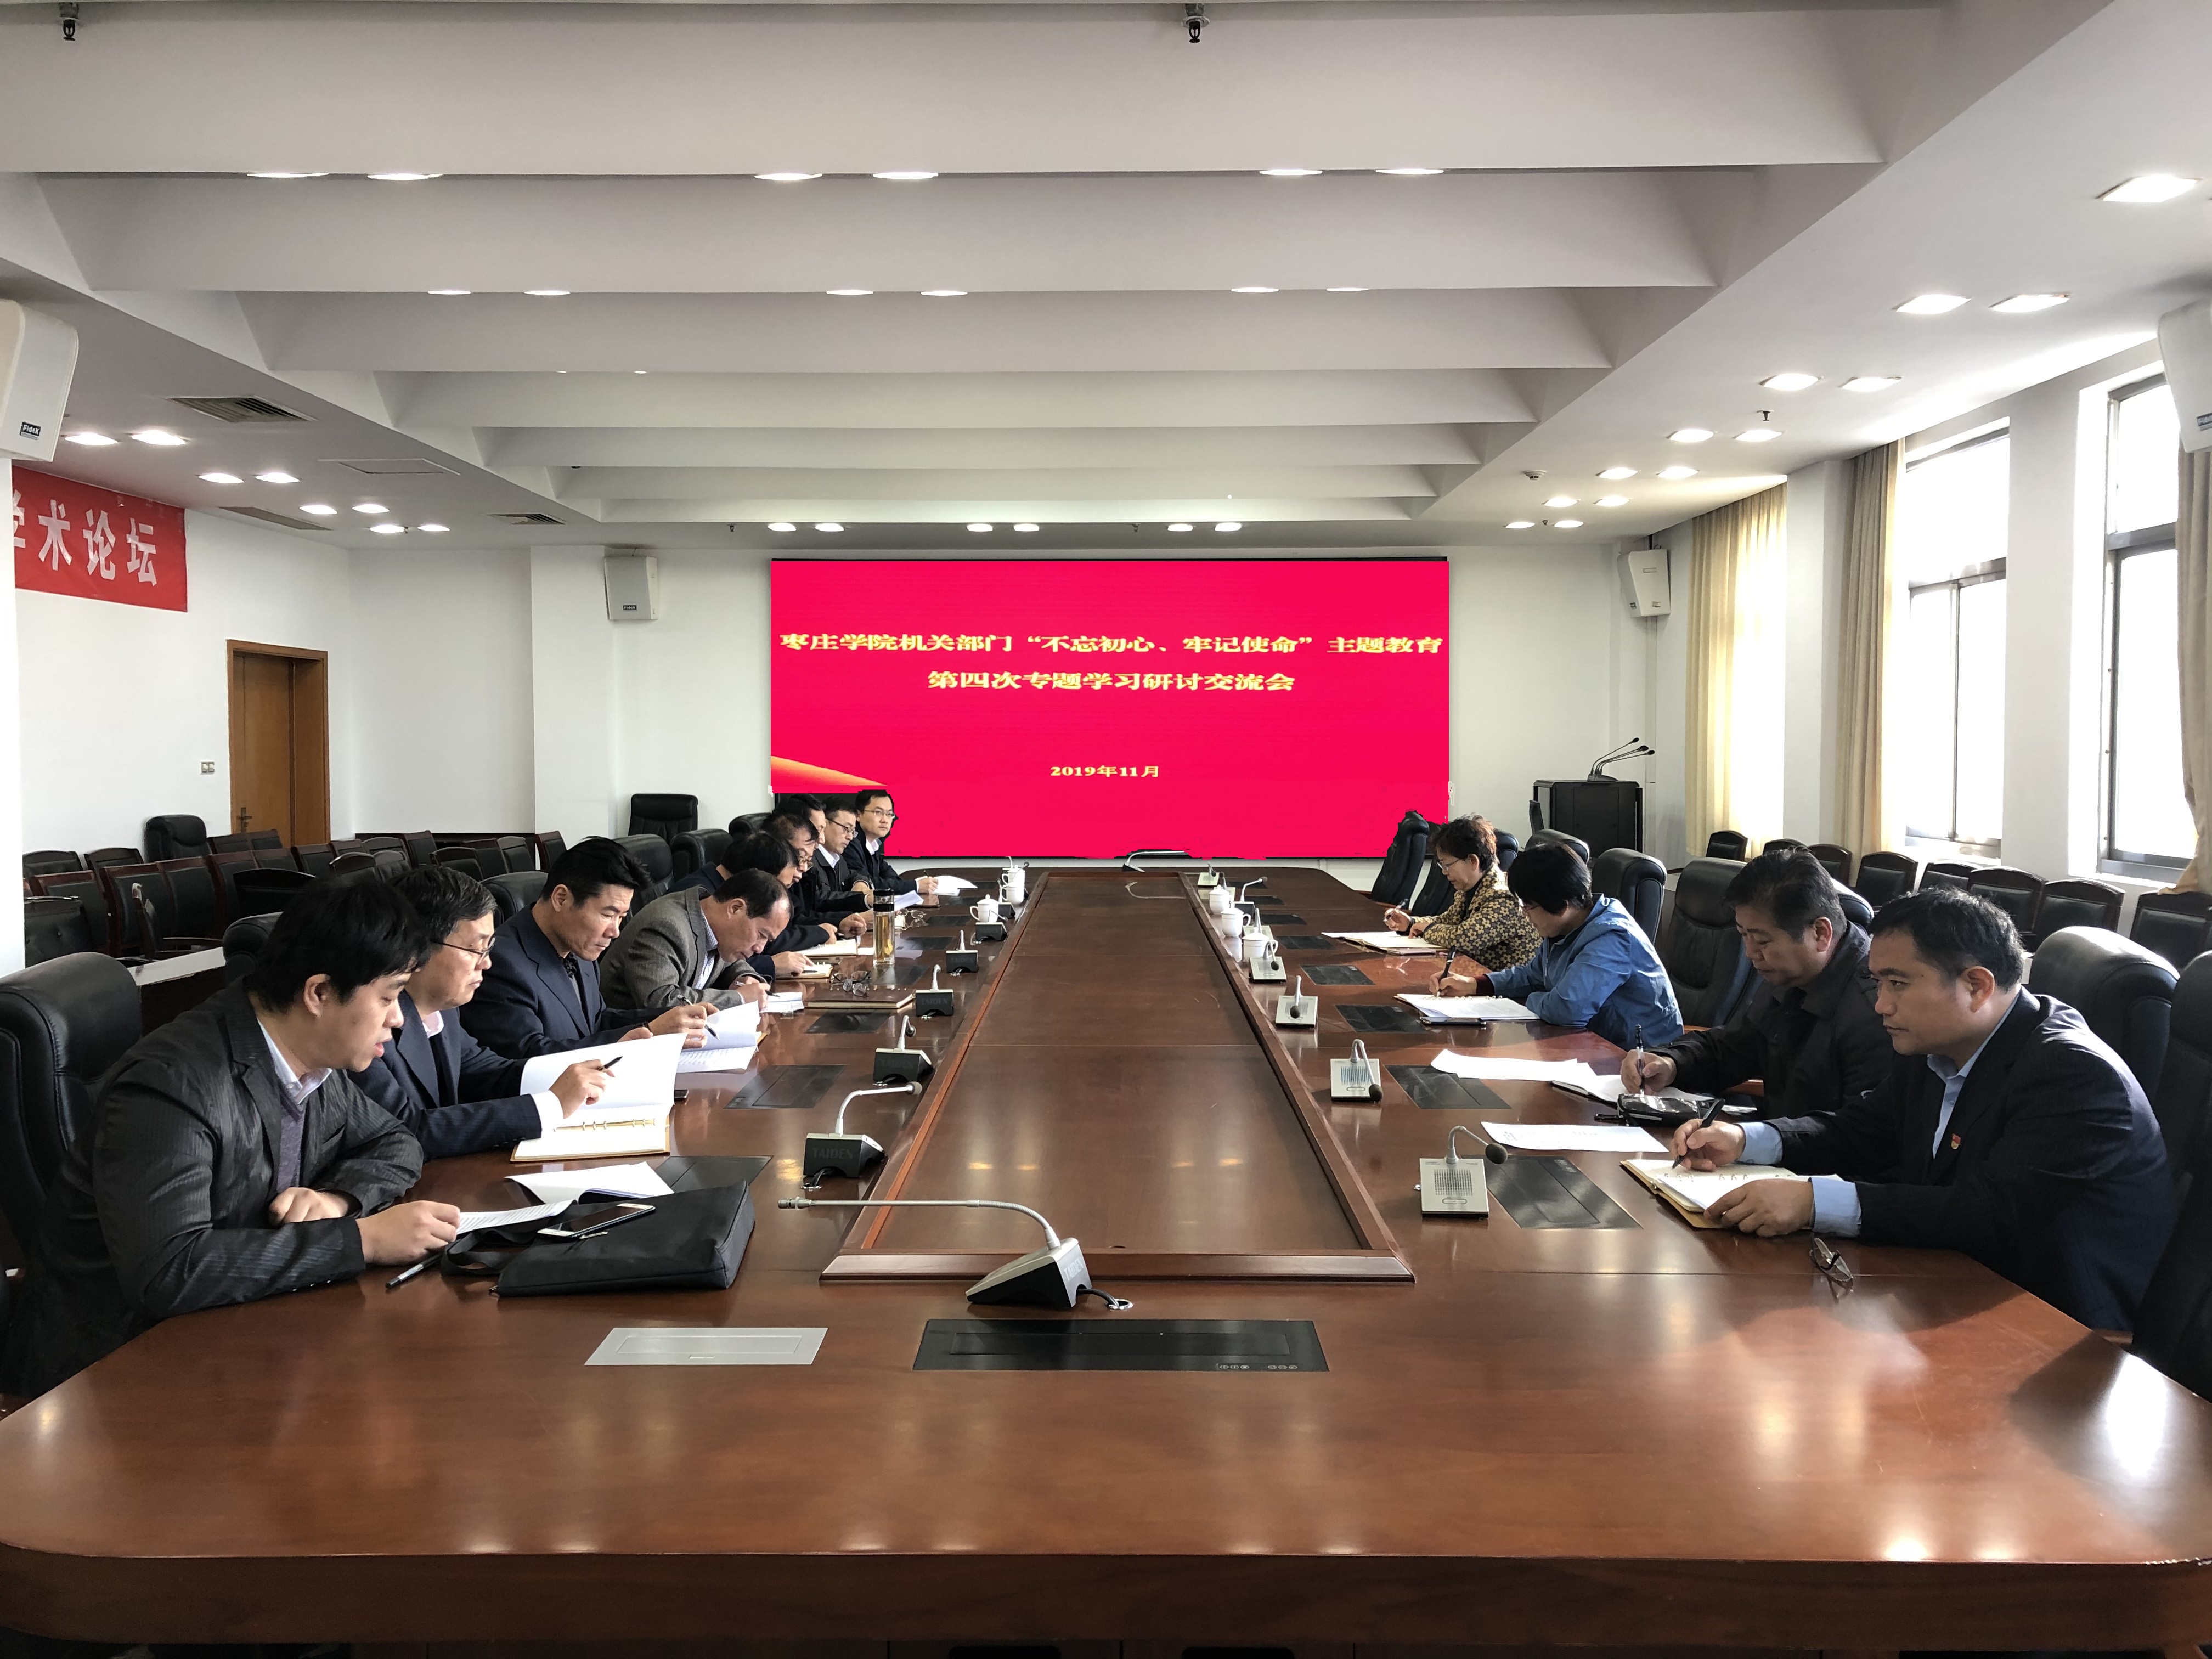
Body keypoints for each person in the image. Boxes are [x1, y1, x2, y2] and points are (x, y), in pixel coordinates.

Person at [0, 877, 459, 1400]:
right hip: (111, 1377)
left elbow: (396, 1141)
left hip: (233, 1333)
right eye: (389, 997)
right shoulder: (172, 1083)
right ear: (319, 993)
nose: (398, 1019)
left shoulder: (308, 1059)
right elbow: (168, 1271)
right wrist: (363, 1240)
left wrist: (338, 1199)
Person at [1673, 888, 2173, 1331]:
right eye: (1878, 983)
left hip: (2056, 1331)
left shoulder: (2074, 1074)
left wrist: (1812, 1201)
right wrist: (1747, 1139)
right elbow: (1863, 1130)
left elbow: (1988, 1213)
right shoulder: (1939, 1044)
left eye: (1898, 984)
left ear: (1976, 986)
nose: (1880, 1005)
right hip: (1952, 1286)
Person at [353, 864, 615, 1159]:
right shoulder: (366, 1025)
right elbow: (408, 1131)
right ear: (416, 948)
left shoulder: (445, 1012)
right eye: (475, 950)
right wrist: (549, 1106)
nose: (486, 963)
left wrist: (583, 1072)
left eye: (489, 948)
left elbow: (490, 1073)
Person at [1621, 849, 1888, 1119]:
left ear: (1820, 933)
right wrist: (1671, 1062)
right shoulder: (1790, 975)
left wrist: (1755, 1137)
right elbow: (1732, 1048)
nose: (1750, 953)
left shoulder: (1877, 1010)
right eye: (1743, 936)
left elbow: (1856, 1131)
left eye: (1762, 941)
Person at [461, 837, 713, 1060]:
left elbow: (597, 1020)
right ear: (561, 898)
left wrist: (673, 1017)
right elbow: (529, 1056)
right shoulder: (501, 963)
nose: (615, 931)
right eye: (608, 915)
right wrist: (649, 1034)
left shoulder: (578, 944)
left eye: (621, 917)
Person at [1437, 840, 1681, 1048]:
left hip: (1639, 1060)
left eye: (1528, 907)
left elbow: (1567, 1010)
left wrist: (1528, 999)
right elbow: (1533, 975)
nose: (1525, 916)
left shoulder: (1612, 937)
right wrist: (1476, 985)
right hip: (1589, 1044)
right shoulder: (1565, 927)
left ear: (1562, 906)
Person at [600, 868, 789, 1013]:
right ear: (735, 908)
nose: (760, 948)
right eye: (761, 935)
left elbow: (730, 963)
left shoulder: (715, 923)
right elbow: (660, 1002)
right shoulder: (667, 926)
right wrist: (738, 999)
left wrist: (744, 978)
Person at [1381, 815, 1537, 970]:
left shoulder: (1504, 897)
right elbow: (1448, 921)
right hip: (1475, 975)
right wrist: (1411, 923)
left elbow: (1466, 938)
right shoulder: (1471, 888)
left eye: (1448, 865)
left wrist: (1426, 929)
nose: (1444, 872)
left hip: (1506, 983)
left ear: (1473, 861)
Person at [849, 787, 940, 897]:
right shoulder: (850, 843)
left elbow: (891, 877)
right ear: (858, 815)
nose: (885, 820)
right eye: (878, 812)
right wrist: (916, 886)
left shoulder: (873, 844)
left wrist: (907, 885)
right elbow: (868, 884)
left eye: (889, 814)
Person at [805, 795, 872, 919]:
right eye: (846, 829)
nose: (850, 837)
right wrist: (865, 899)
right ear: (824, 824)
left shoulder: (838, 859)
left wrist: (860, 882)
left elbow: (852, 875)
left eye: (852, 831)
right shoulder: (808, 860)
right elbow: (821, 900)